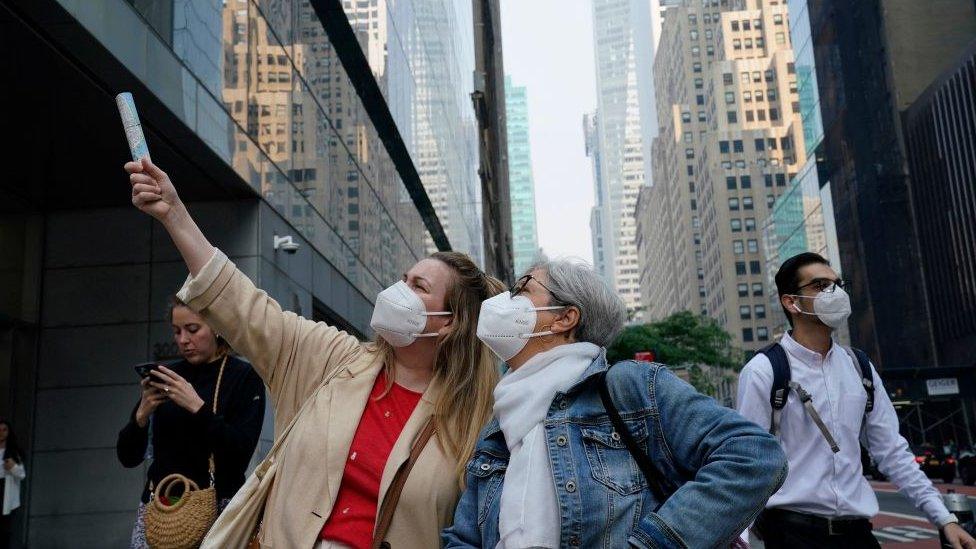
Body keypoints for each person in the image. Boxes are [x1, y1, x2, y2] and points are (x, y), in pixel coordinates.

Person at [124, 157, 504, 549]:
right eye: (402, 279)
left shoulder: (472, 419)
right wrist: (175, 215)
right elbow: (242, 305)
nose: (399, 291)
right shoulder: (332, 359)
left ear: (449, 322)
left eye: (418, 286)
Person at [444, 260, 788, 548]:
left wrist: (654, 543)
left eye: (523, 289)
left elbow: (754, 456)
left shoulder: (632, 388)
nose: (506, 299)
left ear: (565, 318)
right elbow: (464, 537)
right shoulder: (500, 425)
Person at [737, 252, 976, 549]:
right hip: (792, 535)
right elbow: (747, 464)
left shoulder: (859, 366)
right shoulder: (763, 371)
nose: (835, 293)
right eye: (820, 285)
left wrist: (944, 518)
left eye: (838, 284)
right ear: (791, 302)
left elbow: (892, 452)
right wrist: (739, 540)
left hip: (858, 534)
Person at [117, 296, 265, 549]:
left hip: (219, 507)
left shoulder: (243, 377)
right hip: (162, 508)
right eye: (176, 331)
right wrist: (141, 416)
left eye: (193, 329)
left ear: (217, 327)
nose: (183, 340)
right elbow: (127, 457)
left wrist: (196, 407)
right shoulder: (168, 376)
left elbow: (240, 452)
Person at [0, 420, 25, 549]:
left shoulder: (14, 452)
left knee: (5, 531)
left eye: (4, 430)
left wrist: (12, 466)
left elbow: (21, 474)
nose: (1, 433)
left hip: (6, 493)